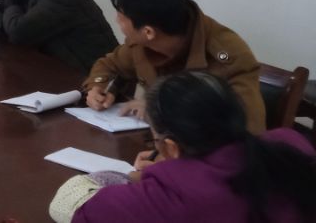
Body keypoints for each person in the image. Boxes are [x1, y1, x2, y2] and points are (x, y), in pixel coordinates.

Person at [50, 72, 315, 223]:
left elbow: (69, 204)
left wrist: (135, 177)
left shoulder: (167, 198)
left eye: (154, 139)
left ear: (170, 147)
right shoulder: (290, 144)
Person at [83, 0, 266, 134]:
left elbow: (246, 133)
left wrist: (162, 111)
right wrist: (98, 88)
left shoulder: (230, 59)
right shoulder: (143, 43)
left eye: (121, 17)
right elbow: (109, 65)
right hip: (160, 146)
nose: (117, 21)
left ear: (148, 32)